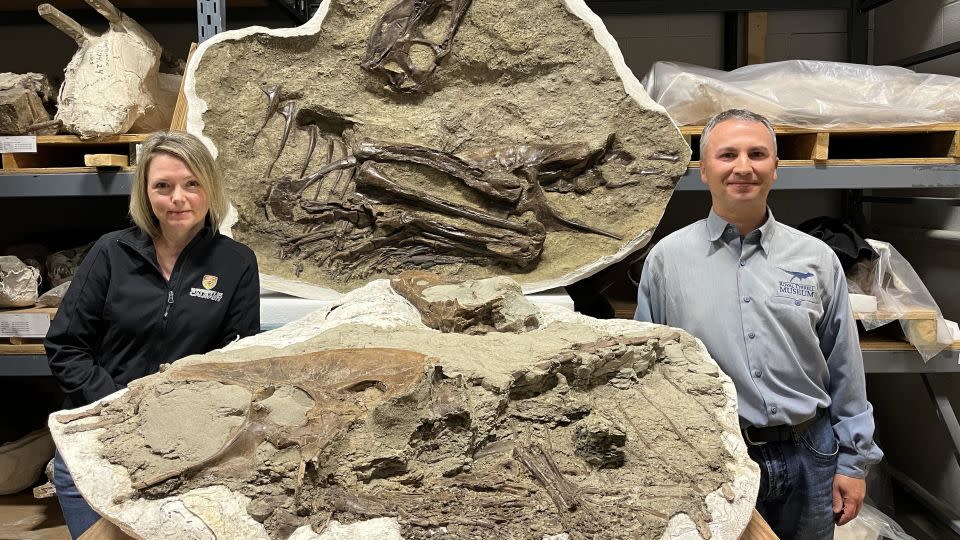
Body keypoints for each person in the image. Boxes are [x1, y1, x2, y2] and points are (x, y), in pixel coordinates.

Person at [634, 109, 882, 539]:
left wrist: (854, 462)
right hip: (714, 458)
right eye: (727, 154)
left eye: (757, 154)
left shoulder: (816, 259)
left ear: (775, 168)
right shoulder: (666, 261)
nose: (743, 167)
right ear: (704, 168)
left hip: (811, 453)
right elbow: (648, 374)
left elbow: (843, 363)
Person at [45, 130, 261, 538]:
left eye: (191, 184)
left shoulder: (236, 262)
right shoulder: (111, 253)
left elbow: (238, 360)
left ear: (209, 188)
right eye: (163, 186)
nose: (178, 198)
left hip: (182, 449)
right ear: (145, 193)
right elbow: (65, 344)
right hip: (96, 443)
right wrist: (116, 404)